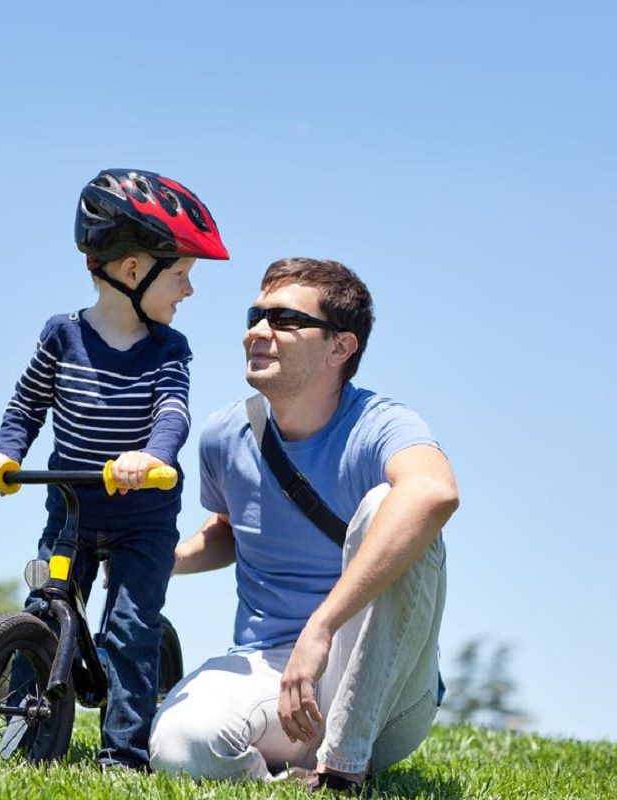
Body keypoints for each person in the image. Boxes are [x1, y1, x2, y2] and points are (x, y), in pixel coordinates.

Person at [149, 258, 459, 794]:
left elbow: (435, 492)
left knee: (393, 504)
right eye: (255, 315)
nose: (256, 332)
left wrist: (321, 627)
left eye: (284, 320)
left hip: (385, 689)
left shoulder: (381, 424)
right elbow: (230, 528)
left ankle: (345, 766)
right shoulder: (227, 432)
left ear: (341, 347)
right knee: (180, 744)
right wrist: (159, 561)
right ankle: (289, 784)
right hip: (272, 673)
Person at [0, 168, 229, 770]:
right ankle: (25, 738)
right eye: (183, 275)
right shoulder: (62, 336)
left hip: (143, 515)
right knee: (44, 609)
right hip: (72, 508)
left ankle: (123, 756)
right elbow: (27, 404)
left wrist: (153, 456)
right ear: (133, 271)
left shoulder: (170, 349)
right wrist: (5, 455)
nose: (189, 291)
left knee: (131, 632)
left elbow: (172, 411)